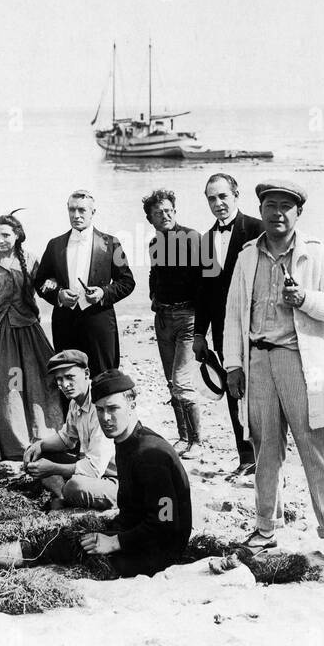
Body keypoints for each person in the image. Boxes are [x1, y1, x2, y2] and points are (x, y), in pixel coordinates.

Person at [223, 180, 324, 563]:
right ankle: (265, 527)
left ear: (298, 213)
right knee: (264, 446)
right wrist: (233, 364)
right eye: (270, 205)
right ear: (261, 210)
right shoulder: (248, 254)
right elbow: (234, 315)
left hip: (301, 360)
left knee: (317, 444)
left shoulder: (315, 254)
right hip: (258, 361)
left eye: (286, 206)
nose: (277, 213)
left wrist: (305, 299)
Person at [0, 370, 192, 577]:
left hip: (159, 550)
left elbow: (166, 524)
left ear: (132, 406)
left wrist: (114, 542)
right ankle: (24, 551)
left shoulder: (151, 455)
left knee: (78, 554)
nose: (105, 418)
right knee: (72, 537)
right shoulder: (127, 442)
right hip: (136, 531)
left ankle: (23, 553)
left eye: (113, 409)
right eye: (100, 410)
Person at [0, 212, 64, 460]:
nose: (1, 240)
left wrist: (54, 285)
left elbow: (46, 285)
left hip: (27, 332)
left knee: (42, 381)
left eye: (6, 235)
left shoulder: (31, 261)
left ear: (17, 235)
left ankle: (46, 437)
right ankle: (11, 447)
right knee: (8, 388)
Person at [193, 173, 264, 475]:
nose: (218, 203)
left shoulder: (258, 230)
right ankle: (245, 457)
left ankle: (267, 457)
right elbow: (204, 292)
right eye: (212, 198)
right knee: (234, 390)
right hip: (223, 331)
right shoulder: (206, 240)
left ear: (236, 194)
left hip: (258, 326)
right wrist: (199, 333)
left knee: (260, 393)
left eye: (223, 196)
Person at [33, 190, 135, 376]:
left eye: (82, 210)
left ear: (93, 212)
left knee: (104, 378)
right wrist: (58, 295)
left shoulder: (112, 243)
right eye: (72, 210)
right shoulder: (54, 245)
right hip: (65, 323)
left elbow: (127, 282)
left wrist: (103, 293)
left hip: (100, 322)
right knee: (68, 378)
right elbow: (39, 282)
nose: (76, 215)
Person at [144, 188, 205, 456]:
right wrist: (153, 296)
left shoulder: (192, 238)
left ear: (175, 212)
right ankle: (183, 437)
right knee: (171, 382)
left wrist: (204, 322)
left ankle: (197, 442)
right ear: (151, 219)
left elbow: (206, 281)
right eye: (158, 213)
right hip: (163, 317)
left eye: (169, 210)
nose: (165, 215)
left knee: (182, 382)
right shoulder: (154, 243)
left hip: (188, 317)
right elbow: (153, 273)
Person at [20, 349, 118, 510]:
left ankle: (66, 495)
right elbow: (67, 439)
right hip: (95, 469)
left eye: (70, 377)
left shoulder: (100, 406)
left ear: (86, 373)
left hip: (117, 479)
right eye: (59, 379)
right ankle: (62, 496)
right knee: (39, 453)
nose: (64, 385)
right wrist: (39, 445)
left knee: (75, 486)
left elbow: (93, 469)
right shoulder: (76, 401)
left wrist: (53, 468)